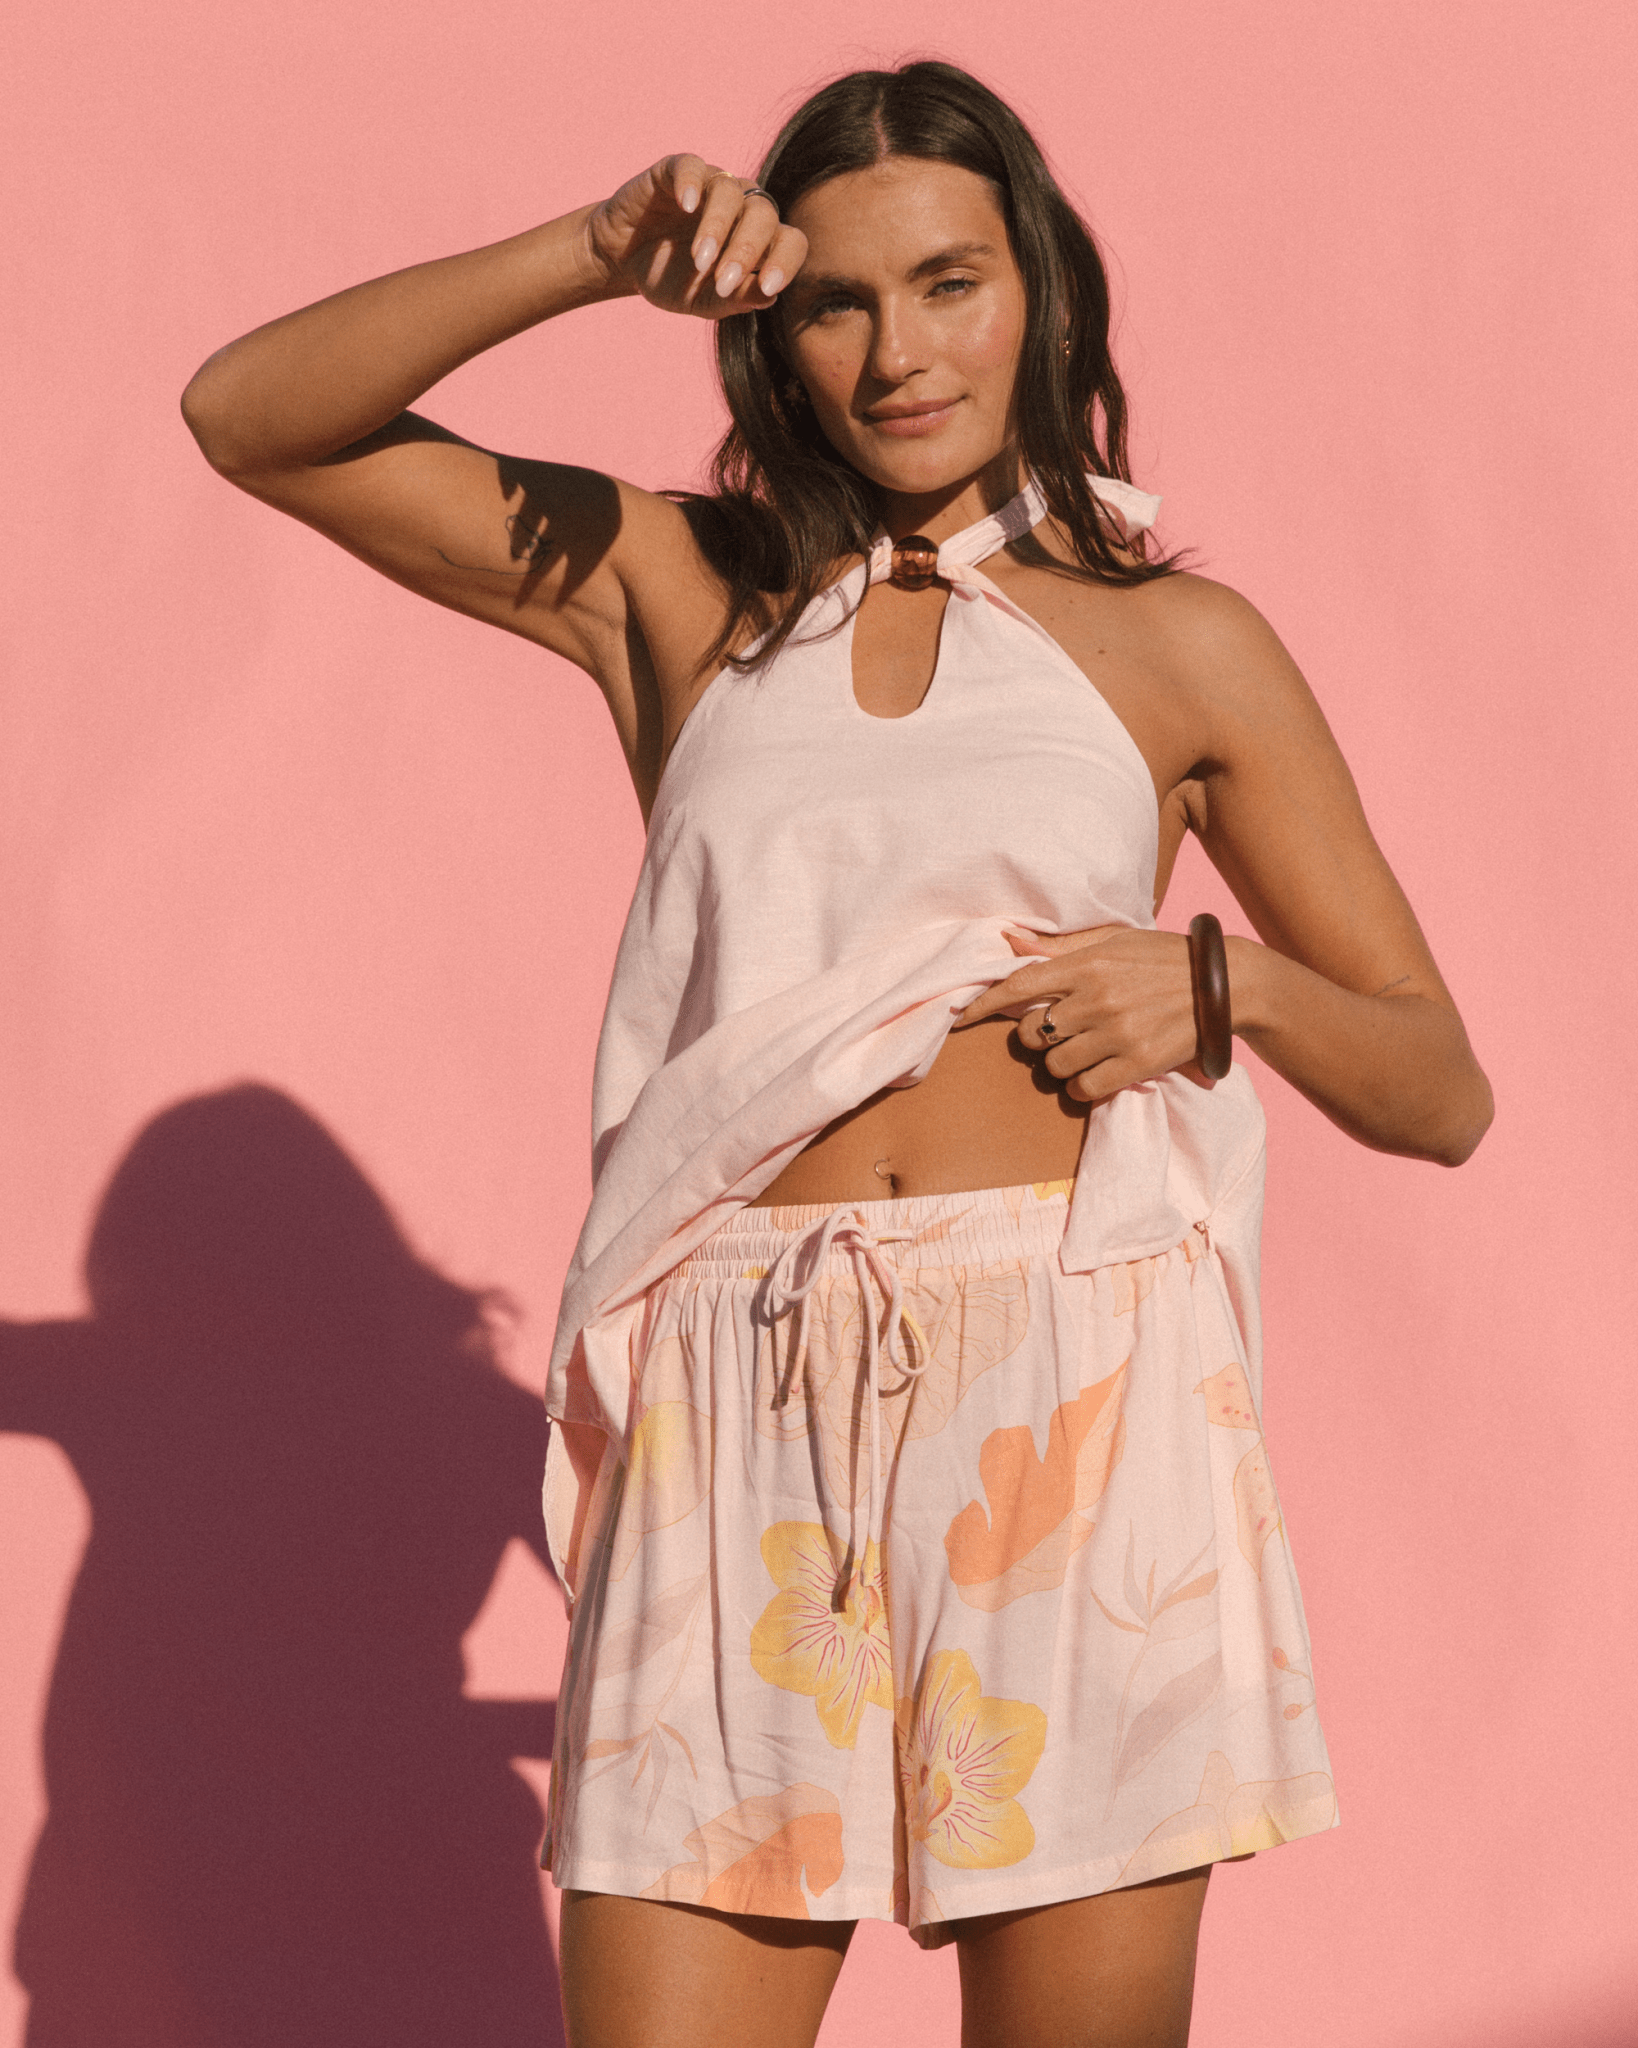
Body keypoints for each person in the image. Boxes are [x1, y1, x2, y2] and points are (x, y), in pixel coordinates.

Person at [182, 58, 1493, 2048]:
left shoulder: (1176, 647)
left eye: (952, 282)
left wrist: (1219, 988)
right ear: (763, 334)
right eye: (837, 300)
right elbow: (250, 418)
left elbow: (1437, 1082)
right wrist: (590, 250)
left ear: (1041, 292)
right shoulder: (678, 589)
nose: (901, 352)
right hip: (735, 1399)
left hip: (1072, 1389)